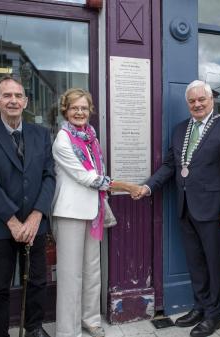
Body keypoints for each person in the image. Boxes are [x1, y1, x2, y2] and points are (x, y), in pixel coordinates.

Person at [135, 80, 220, 337]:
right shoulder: (180, 129)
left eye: (201, 100)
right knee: (196, 263)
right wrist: (148, 187)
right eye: (192, 101)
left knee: (215, 265)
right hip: (186, 208)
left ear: (211, 100)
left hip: (214, 210)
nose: (197, 104)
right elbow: (170, 165)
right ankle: (201, 306)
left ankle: (214, 316)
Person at [52, 88, 139, 337]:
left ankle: (90, 319)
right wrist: (126, 186)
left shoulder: (91, 136)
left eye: (83, 108)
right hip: (69, 213)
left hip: (93, 210)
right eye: (74, 108)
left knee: (92, 269)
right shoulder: (63, 139)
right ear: (65, 111)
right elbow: (87, 177)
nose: (79, 112)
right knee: (70, 275)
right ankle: (67, 331)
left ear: (90, 111)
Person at [0, 75, 55, 337]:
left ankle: (34, 328)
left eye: (18, 96)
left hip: (35, 222)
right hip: (1, 225)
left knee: (38, 281)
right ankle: (0, 333)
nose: (13, 100)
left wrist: (34, 217)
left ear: (26, 101)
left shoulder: (41, 134)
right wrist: (12, 221)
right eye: (7, 96)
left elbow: (49, 176)